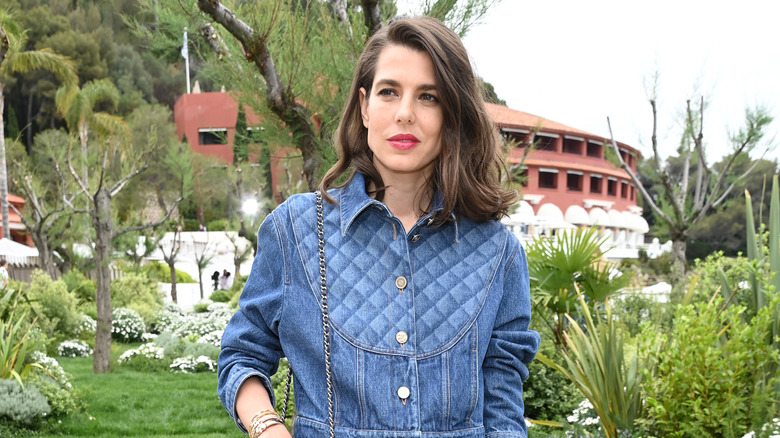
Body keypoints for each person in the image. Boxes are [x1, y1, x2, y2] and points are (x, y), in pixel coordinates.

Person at [218, 16, 540, 438]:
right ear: (365, 106)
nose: (405, 113)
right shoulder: (294, 230)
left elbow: (503, 410)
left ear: (452, 115)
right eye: (389, 92)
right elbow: (242, 354)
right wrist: (268, 428)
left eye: (429, 97)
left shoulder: (498, 252)